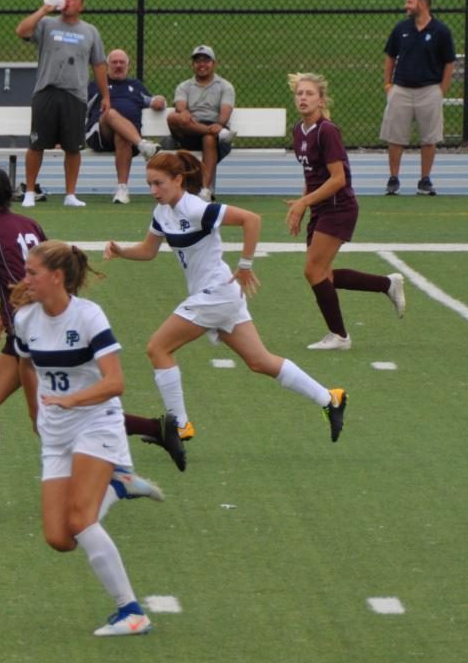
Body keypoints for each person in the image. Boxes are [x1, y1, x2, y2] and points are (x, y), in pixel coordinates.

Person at [0, 167, 185, 519]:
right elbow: (41, 269)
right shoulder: (29, 224)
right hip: (36, 320)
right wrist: (7, 313)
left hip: (33, 331)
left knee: (1, 407)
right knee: (9, 405)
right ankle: (156, 428)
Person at [104, 149, 348, 445]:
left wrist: (245, 264)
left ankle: (179, 426)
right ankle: (329, 398)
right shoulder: (161, 213)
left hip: (216, 295)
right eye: (149, 184)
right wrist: (121, 252)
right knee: (260, 362)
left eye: (159, 183)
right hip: (221, 297)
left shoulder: (196, 208)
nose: (153, 191)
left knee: (158, 348)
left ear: (178, 180)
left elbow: (252, 220)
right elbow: (148, 251)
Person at [11, 240, 154, 637]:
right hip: (56, 434)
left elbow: (115, 382)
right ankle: (120, 485)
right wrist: (34, 410)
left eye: (33, 273)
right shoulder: (26, 319)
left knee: (81, 519)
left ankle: (132, 613)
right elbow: (24, 364)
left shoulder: (89, 317)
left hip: (96, 422)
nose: (26, 280)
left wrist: (73, 399)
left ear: (57, 277)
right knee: (59, 538)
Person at [286, 72, 406, 351]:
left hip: (338, 208)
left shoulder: (327, 131)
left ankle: (339, 336)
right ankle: (387, 284)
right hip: (320, 207)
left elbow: (338, 179)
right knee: (323, 275)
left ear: (321, 100)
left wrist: (305, 202)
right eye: (299, 93)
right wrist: (304, 205)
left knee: (313, 270)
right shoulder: (298, 131)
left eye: (309, 93)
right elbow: (311, 174)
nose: (303, 98)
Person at [14, 0, 110, 208]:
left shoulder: (90, 32)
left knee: (73, 147)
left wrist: (105, 96)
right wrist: (44, 10)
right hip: (46, 91)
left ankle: (70, 194)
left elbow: (98, 64)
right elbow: (21, 30)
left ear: (81, 6)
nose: (68, 0)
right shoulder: (47, 24)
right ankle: (29, 191)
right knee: (36, 144)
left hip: (75, 94)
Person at [381, 0, 455, 196]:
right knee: (395, 137)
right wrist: (388, 84)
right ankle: (393, 178)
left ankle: (425, 179)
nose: (406, 6)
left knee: (429, 138)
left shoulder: (441, 31)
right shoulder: (401, 28)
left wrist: (441, 90)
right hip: (401, 89)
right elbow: (390, 56)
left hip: (429, 90)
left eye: (410, 2)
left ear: (422, 4)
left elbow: (449, 63)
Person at [85, 48, 164, 205]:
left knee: (122, 136)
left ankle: (122, 189)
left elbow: (152, 100)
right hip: (100, 135)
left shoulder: (136, 85)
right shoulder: (97, 85)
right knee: (110, 113)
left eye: (122, 62)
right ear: (107, 66)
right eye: (114, 62)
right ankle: (143, 146)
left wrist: (159, 100)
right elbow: (78, 107)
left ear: (128, 66)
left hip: (128, 140)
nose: (118, 65)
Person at [165, 45, 236, 200]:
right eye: (198, 61)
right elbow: (180, 106)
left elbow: (225, 112)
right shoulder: (184, 86)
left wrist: (219, 125)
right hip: (191, 128)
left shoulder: (225, 86)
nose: (202, 65)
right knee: (173, 117)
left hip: (214, 128)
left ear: (214, 64)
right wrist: (183, 112)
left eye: (206, 61)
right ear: (193, 65)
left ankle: (204, 189)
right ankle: (214, 133)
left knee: (209, 138)